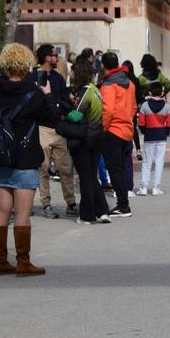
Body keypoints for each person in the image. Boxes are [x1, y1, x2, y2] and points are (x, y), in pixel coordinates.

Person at [0, 43, 57, 275]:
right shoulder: (33, 93)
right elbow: (50, 119)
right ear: (26, 65)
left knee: (1, 209)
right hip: (24, 157)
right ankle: (23, 262)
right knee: (22, 213)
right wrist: (47, 96)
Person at [31, 44, 76, 219]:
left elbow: (64, 98)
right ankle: (46, 204)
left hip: (59, 128)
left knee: (65, 168)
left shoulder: (57, 77)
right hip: (41, 128)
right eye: (54, 55)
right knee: (42, 169)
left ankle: (71, 203)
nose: (57, 58)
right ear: (46, 57)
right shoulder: (33, 77)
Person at [63, 59, 110, 225]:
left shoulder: (85, 91)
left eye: (73, 71)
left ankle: (87, 215)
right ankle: (103, 211)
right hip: (97, 136)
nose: (71, 74)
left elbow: (75, 115)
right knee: (91, 176)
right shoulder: (95, 90)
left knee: (85, 177)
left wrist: (64, 114)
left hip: (85, 139)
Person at [99, 51, 136, 217]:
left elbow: (107, 110)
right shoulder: (129, 83)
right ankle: (123, 203)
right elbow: (134, 107)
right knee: (120, 167)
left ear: (103, 66)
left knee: (114, 169)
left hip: (113, 130)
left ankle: (123, 205)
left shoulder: (108, 85)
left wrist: (103, 128)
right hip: (127, 129)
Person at [136, 81, 170, 195]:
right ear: (162, 93)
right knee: (159, 162)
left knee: (146, 162)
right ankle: (156, 188)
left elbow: (141, 124)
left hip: (149, 137)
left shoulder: (145, 106)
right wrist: (165, 132)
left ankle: (143, 187)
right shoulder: (166, 107)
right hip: (161, 137)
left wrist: (146, 132)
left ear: (150, 92)